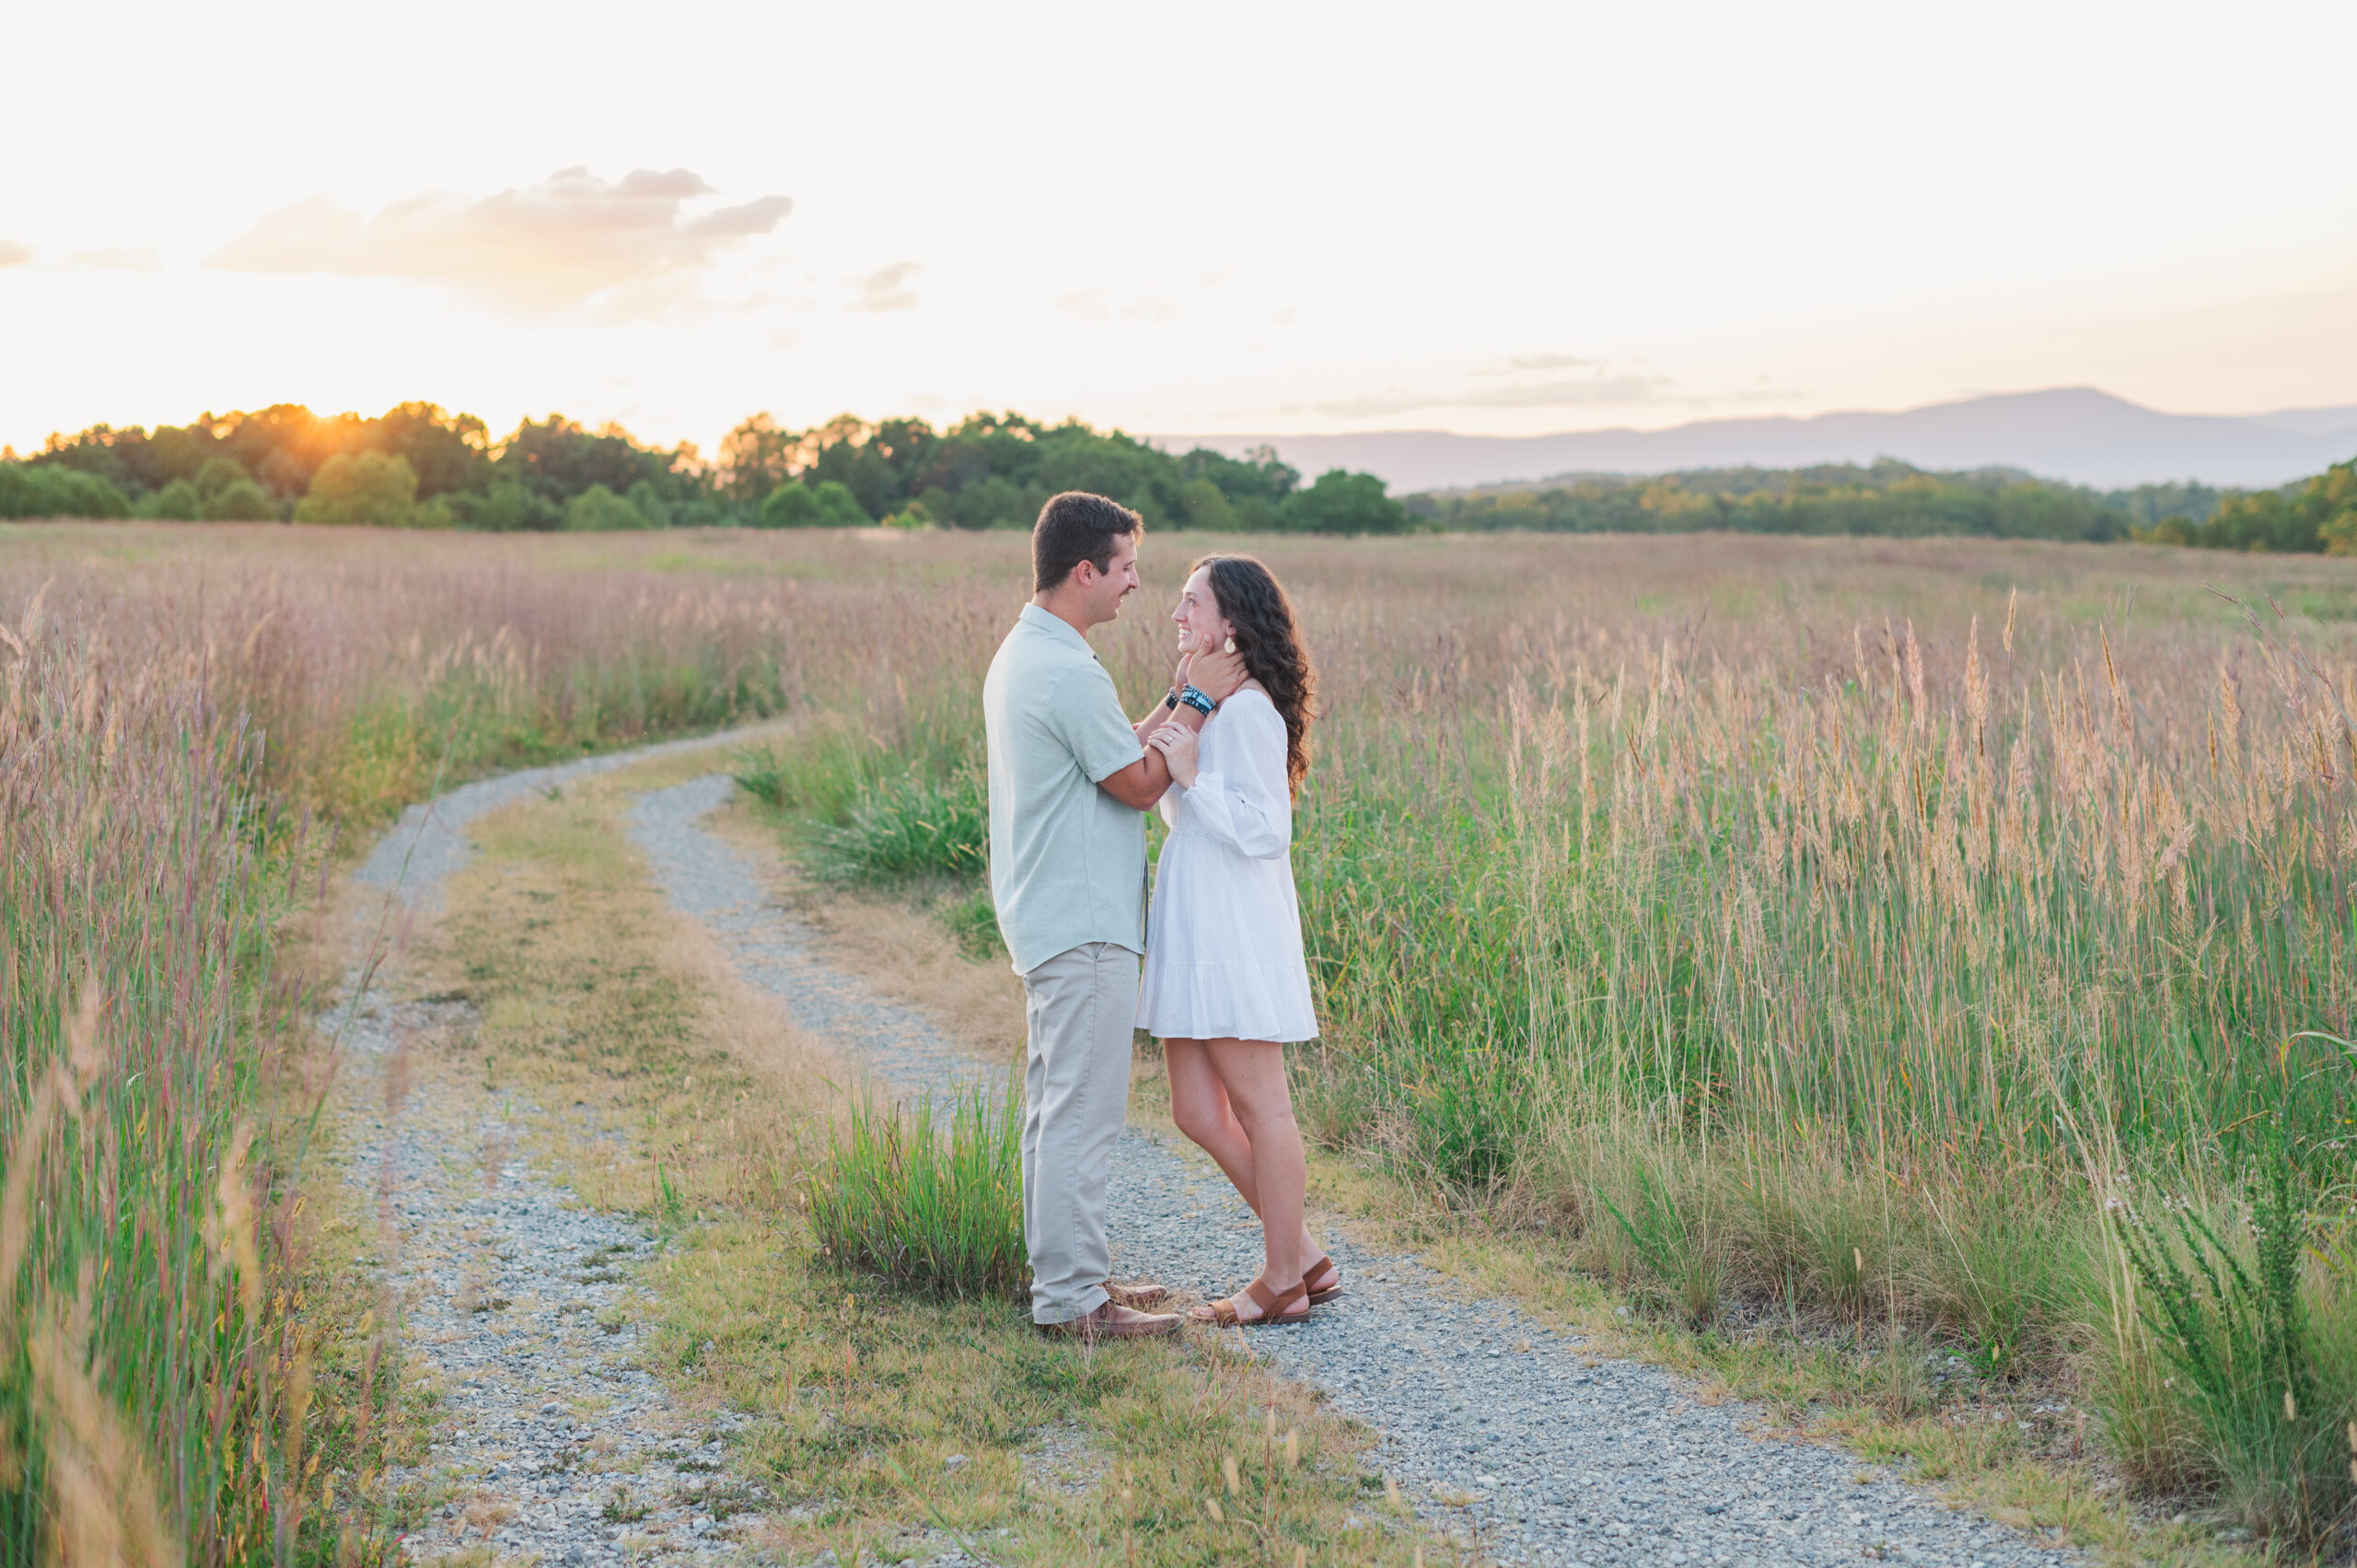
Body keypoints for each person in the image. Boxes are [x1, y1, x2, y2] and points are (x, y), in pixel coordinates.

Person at [981, 492, 1246, 1340]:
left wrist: (1171, 697)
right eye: (1127, 566)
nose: (1138, 584)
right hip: (1084, 921)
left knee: (1056, 1109)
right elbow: (1136, 783)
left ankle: (1073, 1278)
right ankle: (1073, 1305)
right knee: (1081, 1116)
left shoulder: (1034, 652)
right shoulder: (1064, 668)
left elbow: (1116, 745)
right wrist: (1199, 706)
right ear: (1085, 570)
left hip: (1052, 911)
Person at [1133, 554, 1336, 1327]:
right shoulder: (1213, 705)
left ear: (1230, 623)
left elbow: (1265, 829)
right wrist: (1184, 757)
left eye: (1191, 605)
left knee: (1262, 1106)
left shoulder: (1250, 710)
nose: (1177, 617)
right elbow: (1186, 808)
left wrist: (1192, 777)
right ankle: (1307, 1253)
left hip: (1230, 924)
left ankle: (1282, 1278)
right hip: (1193, 915)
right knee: (1194, 1108)